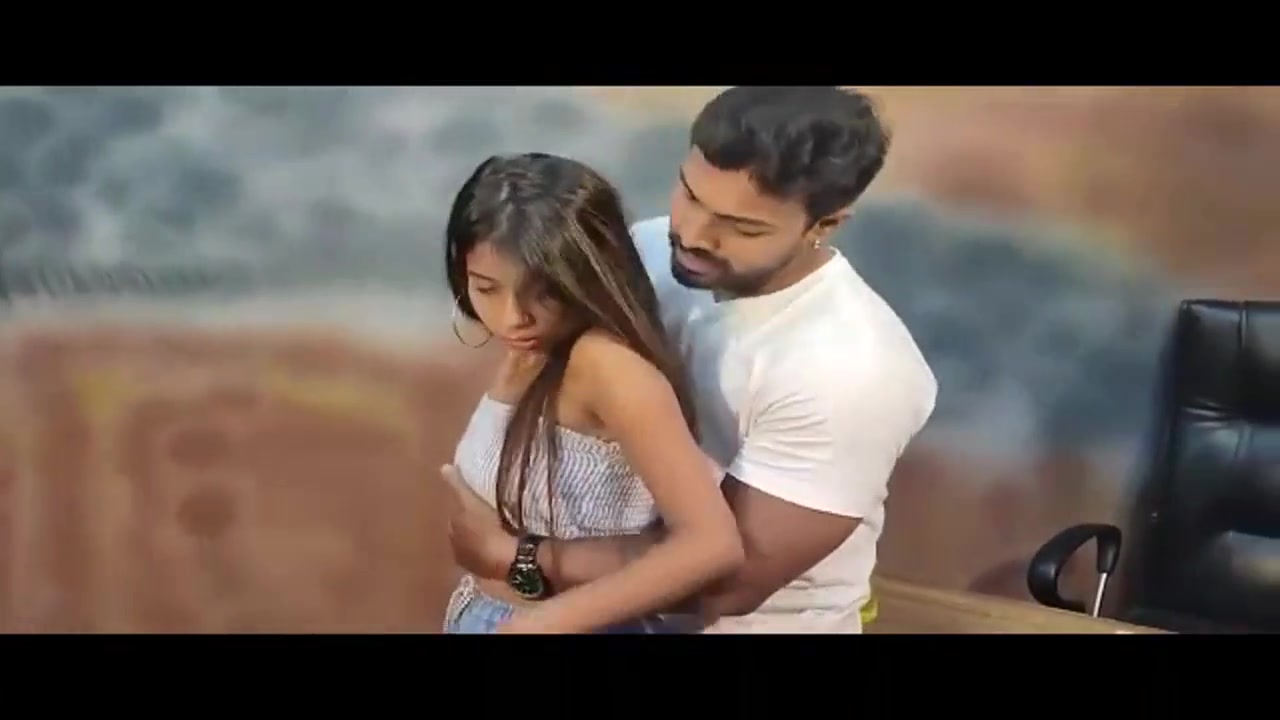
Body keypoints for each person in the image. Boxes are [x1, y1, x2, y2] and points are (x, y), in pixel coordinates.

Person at [442, 86, 938, 633]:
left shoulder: (857, 372)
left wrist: (519, 558)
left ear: (825, 224)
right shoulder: (653, 251)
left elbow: (730, 579)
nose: (694, 234)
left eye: (743, 227)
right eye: (691, 194)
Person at [438, 151, 744, 634]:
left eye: (544, 291)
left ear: (588, 274)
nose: (514, 317)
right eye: (487, 288)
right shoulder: (538, 348)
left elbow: (712, 545)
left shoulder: (608, 368)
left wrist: (538, 623)